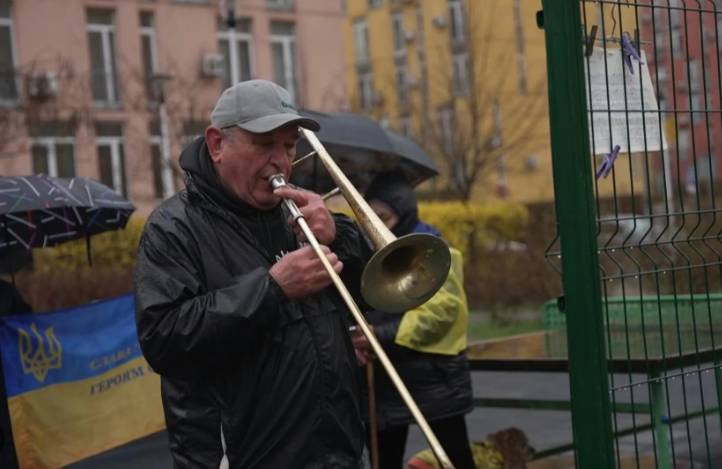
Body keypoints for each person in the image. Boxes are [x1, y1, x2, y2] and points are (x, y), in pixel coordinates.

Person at [134, 79, 369, 468]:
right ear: (216, 145)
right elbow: (164, 339)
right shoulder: (173, 228)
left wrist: (340, 237)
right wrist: (272, 289)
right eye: (264, 145)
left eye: (290, 145)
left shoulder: (300, 214)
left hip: (336, 454)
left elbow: (372, 296)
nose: (280, 161)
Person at [352, 171, 476, 469]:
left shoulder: (435, 250)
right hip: (384, 381)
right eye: (370, 216)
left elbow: (440, 312)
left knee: (456, 459)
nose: (376, 225)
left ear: (403, 213)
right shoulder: (364, 253)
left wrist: (378, 335)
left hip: (433, 379)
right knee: (385, 461)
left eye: (384, 216)